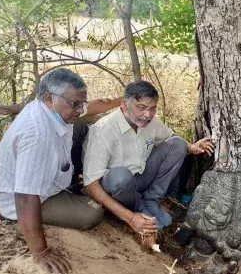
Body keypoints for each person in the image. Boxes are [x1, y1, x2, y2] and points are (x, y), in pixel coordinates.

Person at [0, 68, 122, 274]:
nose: (80, 110)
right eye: (75, 104)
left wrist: (123, 99)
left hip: (48, 177)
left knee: (81, 127)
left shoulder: (55, 107)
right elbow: (25, 196)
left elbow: (95, 105)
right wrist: (40, 252)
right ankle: (78, 190)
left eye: (82, 104)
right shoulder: (37, 136)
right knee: (92, 213)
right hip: (22, 198)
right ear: (49, 98)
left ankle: (76, 184)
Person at [83, 80, 214, 235]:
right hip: (118, 187)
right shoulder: (104, 130)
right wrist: (131, 218)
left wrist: (192, 147)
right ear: (125, 105)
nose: (148, 114)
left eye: (152, 109)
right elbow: (91, 186)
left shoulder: (149, 121)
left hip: (142, 177)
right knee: (121, 176)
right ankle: (137, 210)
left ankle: (152, 201)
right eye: (141, 108)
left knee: (177, 144)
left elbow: (170, 137)